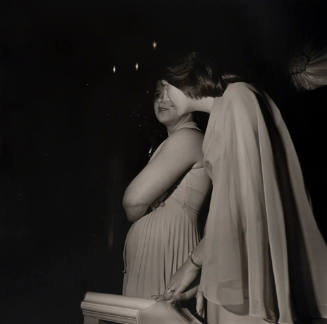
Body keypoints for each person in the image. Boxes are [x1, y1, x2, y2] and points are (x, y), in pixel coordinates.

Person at [159, 52, 327, 324]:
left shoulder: (237, 101)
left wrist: (194, 264)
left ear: (182, 76)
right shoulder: (230, 105)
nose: (163, 97)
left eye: (165, 87)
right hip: (249, 268)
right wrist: (209, 276)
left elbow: (242, 205)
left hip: (254, 277)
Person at [122, 80, 211, 299]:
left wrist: (147, 201)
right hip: (158, 250)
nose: (162, 99)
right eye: (157, 94)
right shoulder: (174, 141)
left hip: (167, 248)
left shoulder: (188, 138)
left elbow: (132, 203)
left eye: (169, 92)